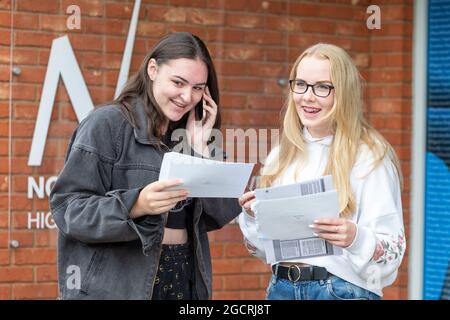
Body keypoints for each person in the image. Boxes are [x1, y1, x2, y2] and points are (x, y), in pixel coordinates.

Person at [49, 32, 241, 300]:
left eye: (198, 88)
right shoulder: (107, 124)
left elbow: (218, 215)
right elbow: (68, 209)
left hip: (182, 274)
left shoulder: (193, 134)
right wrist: (137, 205)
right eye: (178, 82)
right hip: (118, 284)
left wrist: (199, 149)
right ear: (153, 69)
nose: (187, 97)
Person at [238, 43, 405, 300]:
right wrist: (252, 216)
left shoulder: (369, 156)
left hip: (341, 291)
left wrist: (355, 237)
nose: (308, 96)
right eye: (301, 84)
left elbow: (393, 251)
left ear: (344, 93)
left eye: (323, 87)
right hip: (281, 287)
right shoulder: (281, 155)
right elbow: (262, 251)